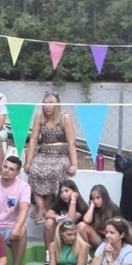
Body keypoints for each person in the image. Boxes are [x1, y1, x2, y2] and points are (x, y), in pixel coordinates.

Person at [25, 92, 78, 223]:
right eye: (45, 103)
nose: (47, 106)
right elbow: (33, 140)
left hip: (61, 153)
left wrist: (74, 164)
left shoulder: (64, 118)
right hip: (44, 152)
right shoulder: (39, 117)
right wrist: (28, 162)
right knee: (35, 170)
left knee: (54, 171)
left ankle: (46, 207)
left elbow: (71, 142)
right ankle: (41, 208)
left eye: (50, 103)